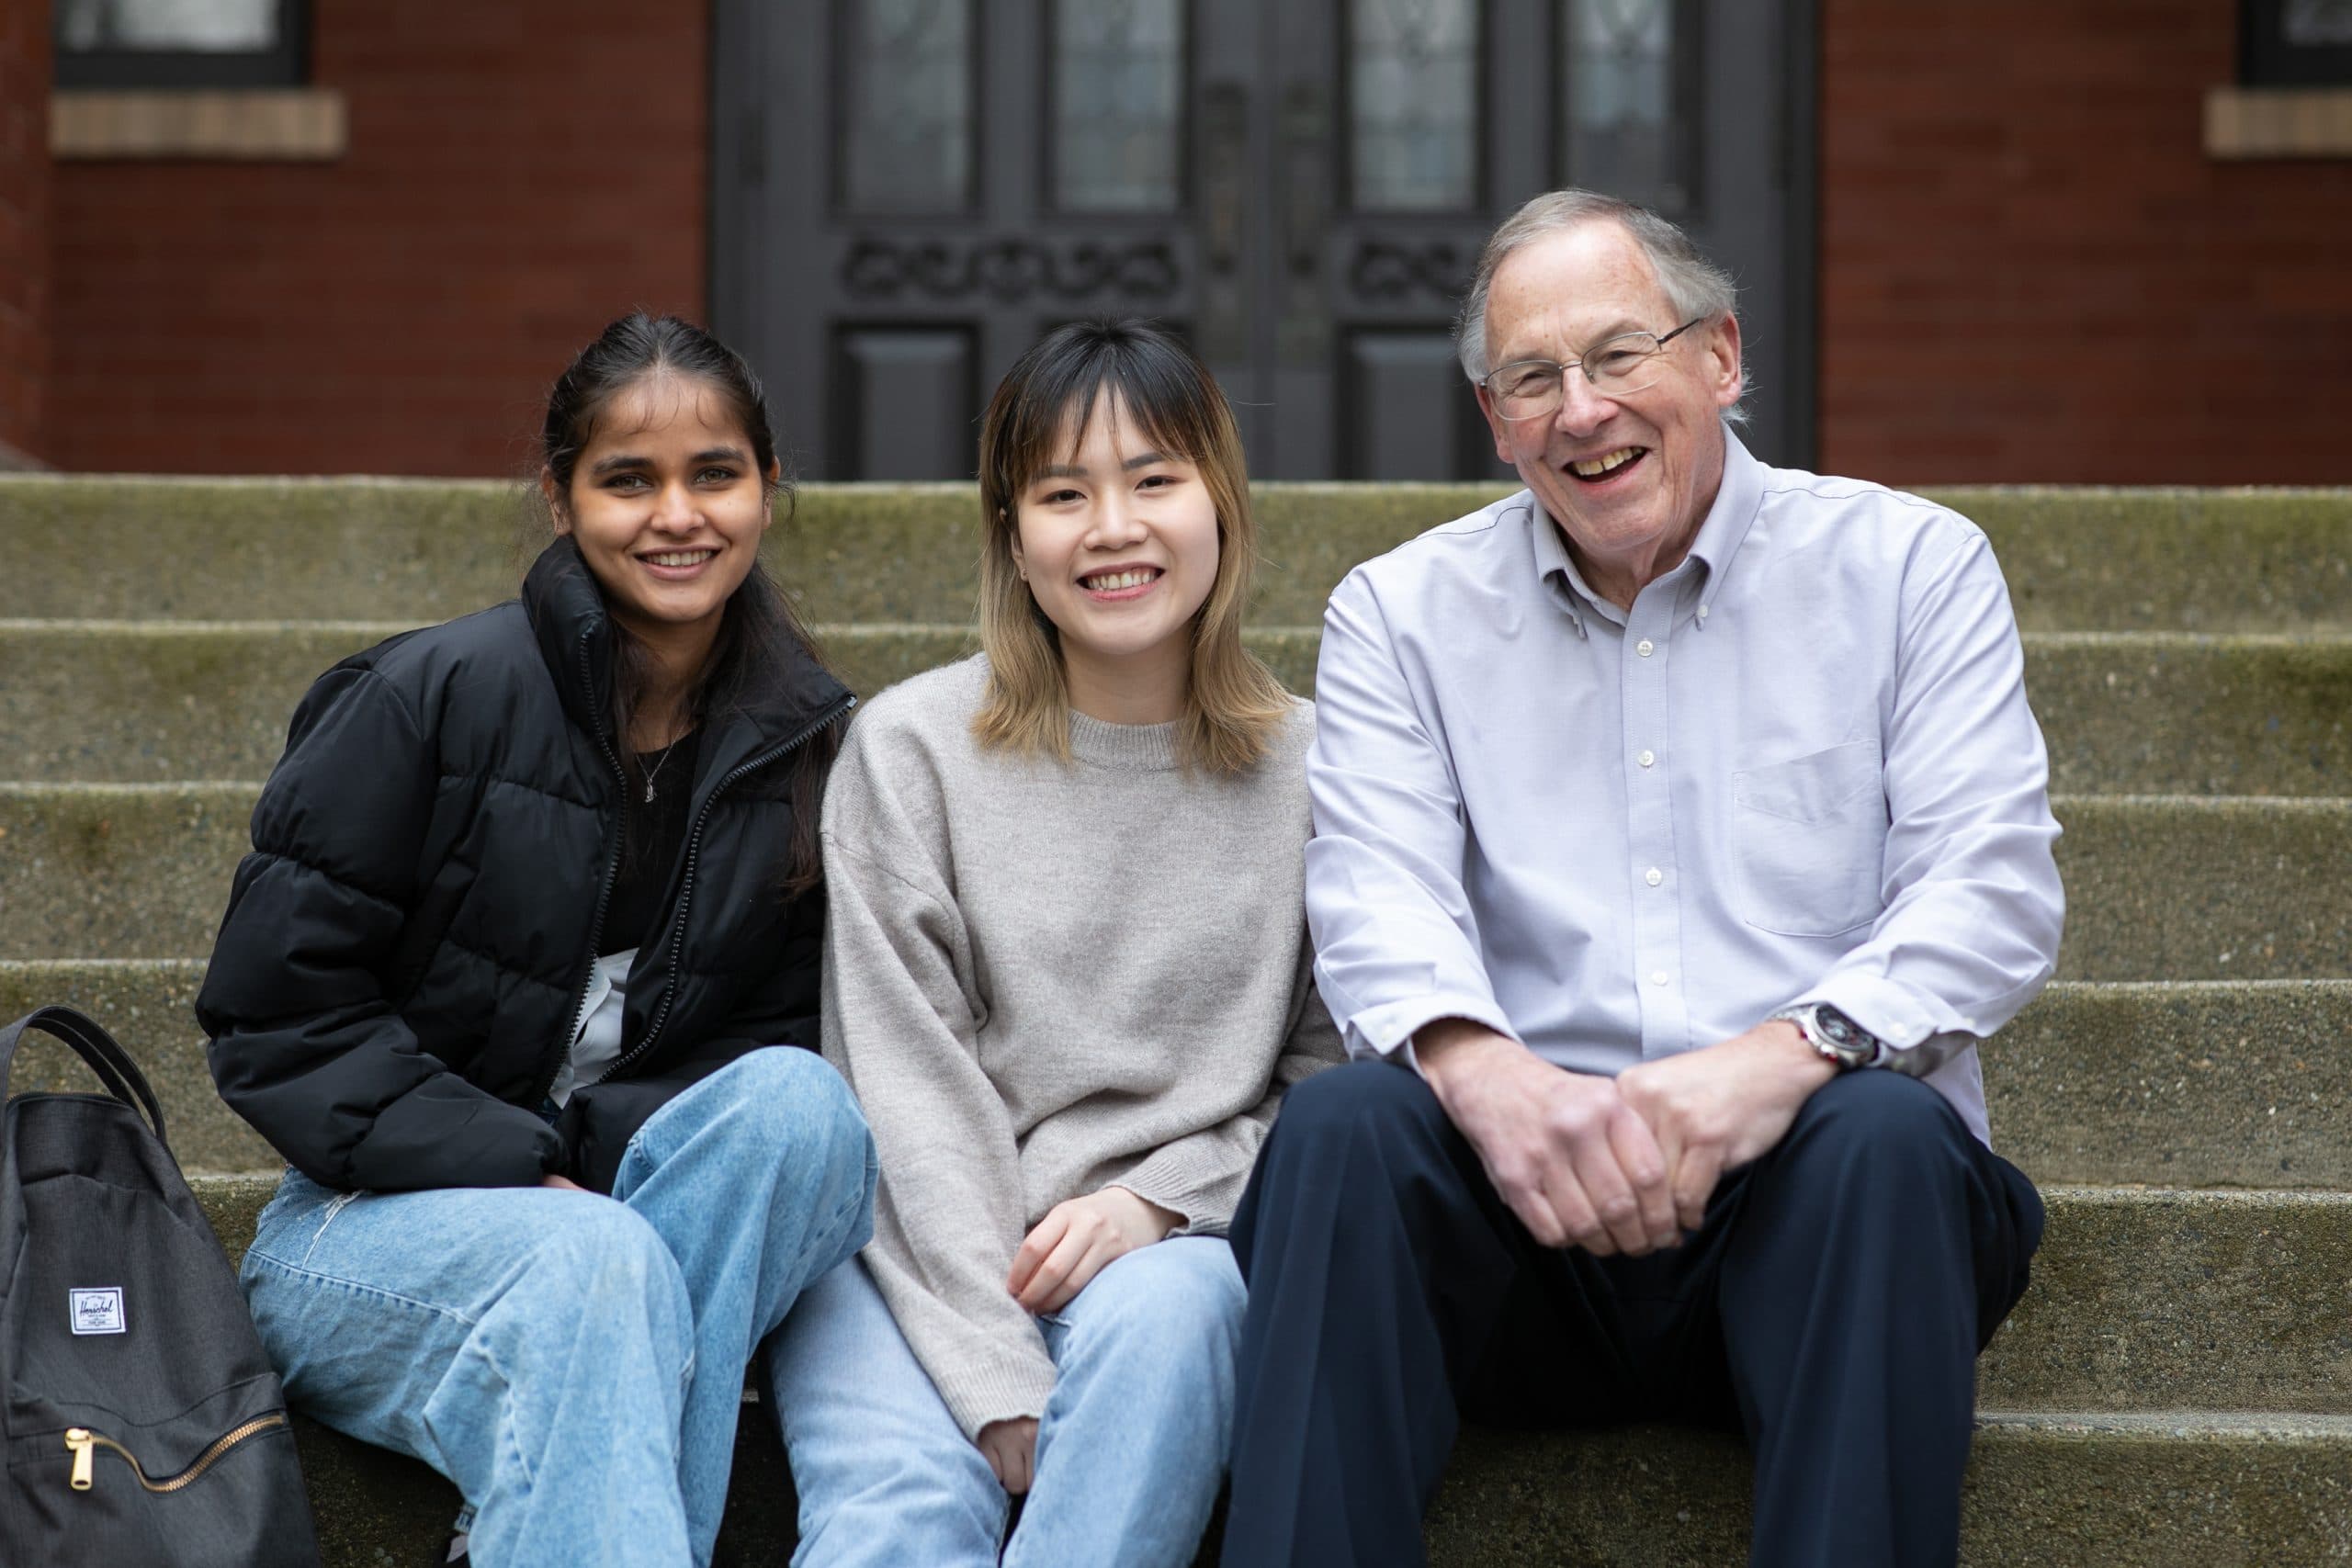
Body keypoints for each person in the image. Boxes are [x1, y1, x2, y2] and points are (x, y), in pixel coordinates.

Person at [1216, 190, 2061, 1568]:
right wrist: (1501, 1087)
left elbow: (1996, 890)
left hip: (1822, 1228)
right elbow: (1375, 899)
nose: (1581, 410)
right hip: (1518, 1233)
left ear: (1720, 357)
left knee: (1891, 1137)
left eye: (1619, 357)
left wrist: (1775, 1063)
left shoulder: (1909, 568)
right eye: (1532, 379)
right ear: (1495, 423)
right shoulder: (1401, 614)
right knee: (1346, 1133)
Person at [198, 313, 876, 1568]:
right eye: (629, 480)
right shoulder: (425, 699)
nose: (678, 514)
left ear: (768, 490)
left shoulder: (811, 749)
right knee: (594, 1259)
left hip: (618, 1228)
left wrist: (579, 1169)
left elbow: (776, 1031)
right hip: (362, 1231)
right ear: (561, 500)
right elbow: (275, 1013)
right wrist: (517, 1163)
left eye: (714, 474)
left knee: (799, 1108)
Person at [765, 318, 1344, 1568]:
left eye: (1154, 480)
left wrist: (1165, 1201)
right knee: (904, 1517)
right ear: (1013, 539)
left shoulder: (1320, 770)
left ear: (1223, 507)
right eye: (1063, 493)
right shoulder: (912, 749)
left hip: (1168, 1256)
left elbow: (1329, 1087)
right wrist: (994, 1376)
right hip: (904, 1252)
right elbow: (902, 1091)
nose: (1114, 528)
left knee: (1185, 1310)